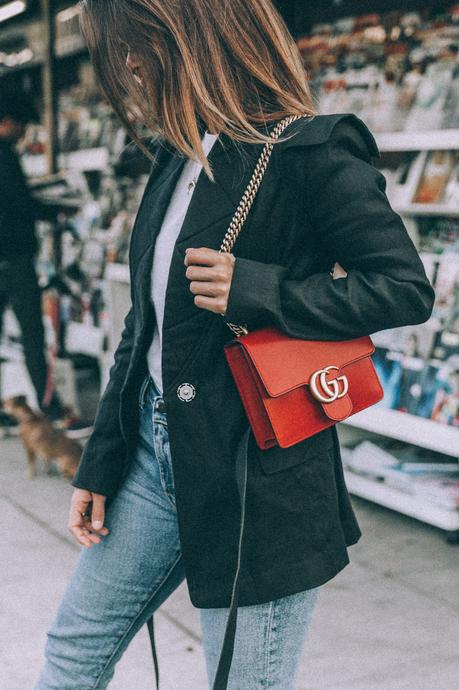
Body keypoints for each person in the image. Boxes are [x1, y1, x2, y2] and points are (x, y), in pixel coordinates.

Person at [34, 1, 436, 689]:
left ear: (188, 37)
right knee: (73, 653)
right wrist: (100, 460)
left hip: (261, 468)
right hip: (152, 460)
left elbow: (403, 288)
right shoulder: (176, 155)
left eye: (136, 43)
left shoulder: (311, 151)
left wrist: (264, 290)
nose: (127, 64)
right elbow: (145, 324)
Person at [0, 89, 92, 438]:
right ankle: (51, 410)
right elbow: (19, 204)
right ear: (7, 123)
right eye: (21, 127)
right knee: (33, 336)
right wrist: (56, 209)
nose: (24, 134)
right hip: (14, 259)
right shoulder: (5, 156)